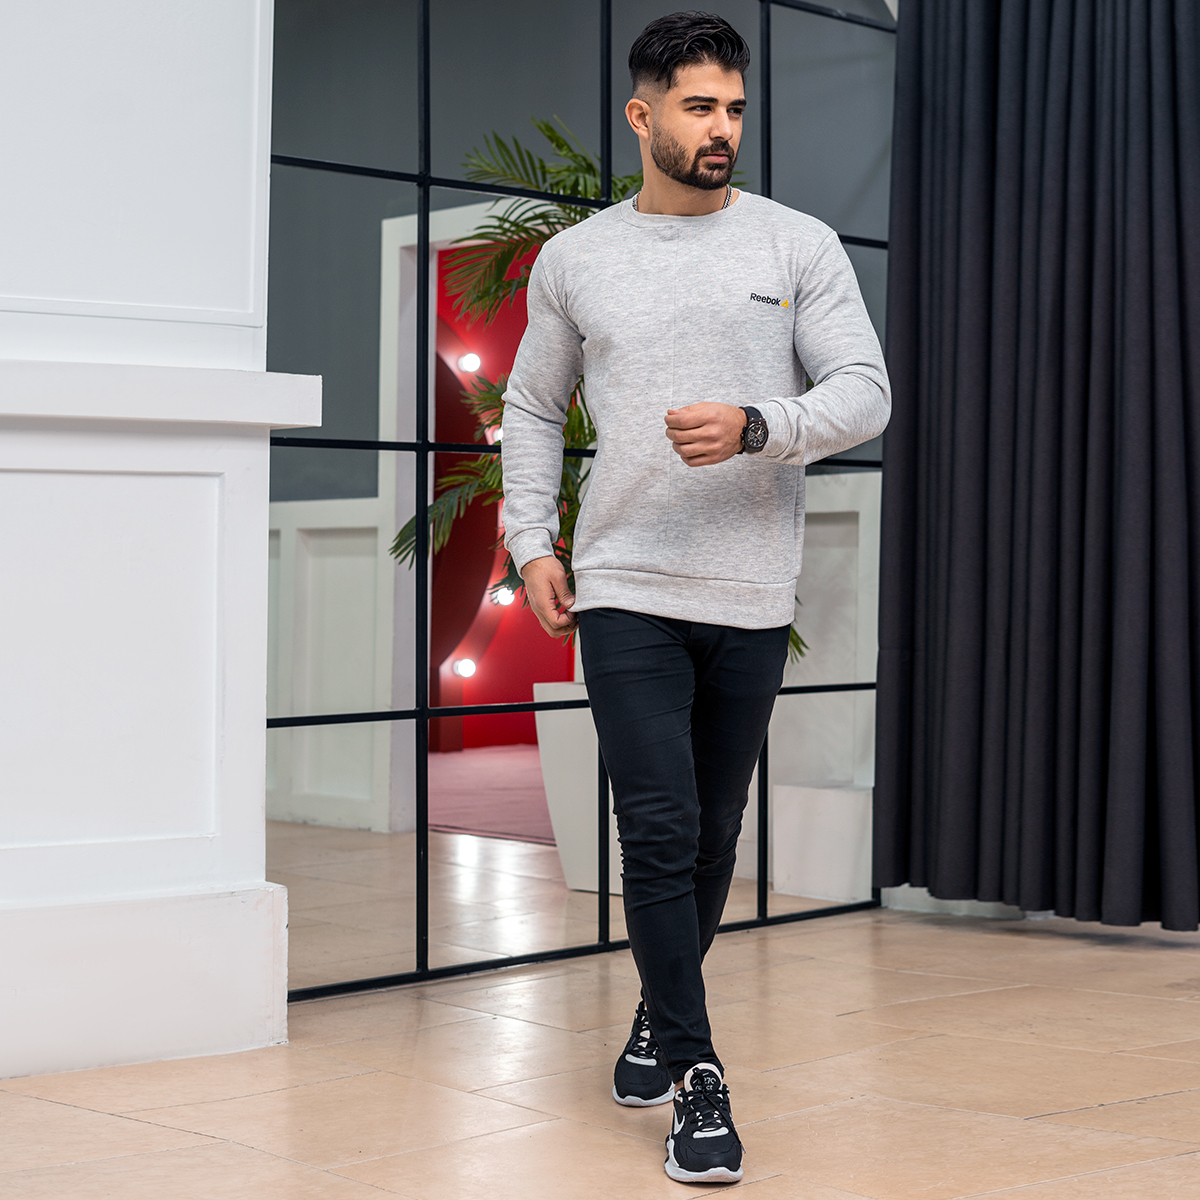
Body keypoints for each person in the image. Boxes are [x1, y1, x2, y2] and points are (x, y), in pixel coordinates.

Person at [500, 10, 890, 1185]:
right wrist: (530, 541)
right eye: (698, 107)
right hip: (623, 583)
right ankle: (699, 1074)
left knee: (716, 830)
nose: (722, 128)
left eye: (734, 108)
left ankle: (656, 1016)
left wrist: (760, 424)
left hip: (751, 588)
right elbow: (531, 407)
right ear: (643, 115)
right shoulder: (577, 259)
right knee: (658, 827)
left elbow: (865, 389)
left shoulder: (796, 245)